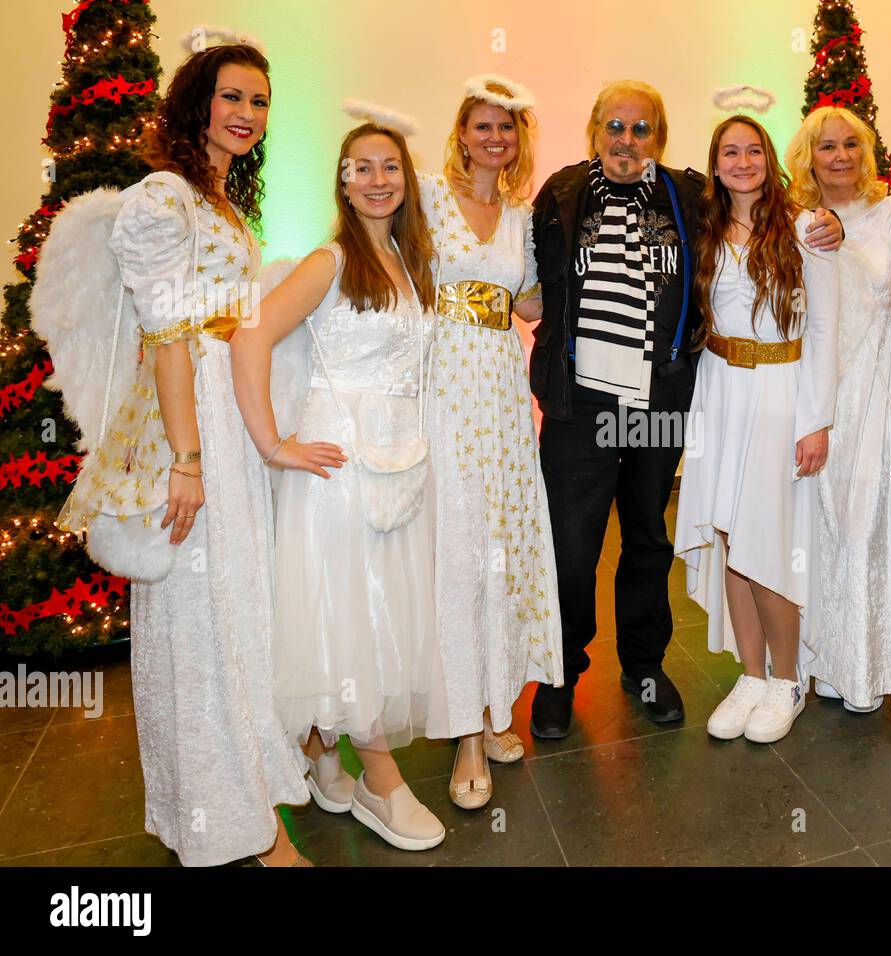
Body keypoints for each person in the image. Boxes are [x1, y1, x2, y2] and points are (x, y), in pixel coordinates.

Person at [56, 44, 311, 865]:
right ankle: (236, 823)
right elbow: (166, 342)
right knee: (201, 620)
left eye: (261, 102)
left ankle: (227, 807)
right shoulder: (162, 198)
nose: (247, 114)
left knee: (231, 613)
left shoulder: (223, 202)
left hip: (223, 424)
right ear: (195, 103)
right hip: (191, 426)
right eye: (231, 96)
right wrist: (188, 461)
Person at [528, 80, 842, 738]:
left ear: (659, 138)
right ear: (594, 131)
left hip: (661, 398)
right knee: (572, 546)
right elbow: (531, 284)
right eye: (614, 126)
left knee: (647, 537)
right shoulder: (559, 194)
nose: (627, 140)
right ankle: (560, 675)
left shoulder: (689, 196)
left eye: (642, 129)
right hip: (580, 404)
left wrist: (830, 218)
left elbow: (763, 211)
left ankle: (645, 666)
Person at [232, 121, 447, 850]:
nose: (378, 179)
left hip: (398, 460)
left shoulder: (406, 260)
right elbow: (250, 336)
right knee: (347, 612)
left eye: (391, 167)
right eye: (362, 168)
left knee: (380, 612)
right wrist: (273, 444)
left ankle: (325, 758)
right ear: (343, 180)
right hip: (337, 464)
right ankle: (379, 777)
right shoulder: (329, 260)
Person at [416, 74, 562, 807]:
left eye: (505, 128)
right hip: (440, 383)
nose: (494, 139)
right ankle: (465, 731)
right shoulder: (425, 196)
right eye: (482, 126)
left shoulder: (520, 214)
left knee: (503, 543)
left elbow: (530, 299)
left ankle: (499, 704)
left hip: (502, 390)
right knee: (458, 548)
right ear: (460, 132)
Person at [674, 114, 838, 744]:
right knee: (729, 534)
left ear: (770, 158)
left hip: (779, 393)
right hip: (719, 389)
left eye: (753, 150)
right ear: (714, 164)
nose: (742, 161)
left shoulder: (805, 228)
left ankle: (786, 680)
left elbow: (824, 330)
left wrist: (815, 421)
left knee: (767, 538)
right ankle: (750, 673)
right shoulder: (705, 230)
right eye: (729, 152)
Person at [785, 106, 891, 714]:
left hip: (878, 382)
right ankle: (814, 658)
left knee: (866, 516)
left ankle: (862, 661)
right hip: (818, 382)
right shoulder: (796, 221)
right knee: (817, 518)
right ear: (808, 156)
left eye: (849, 145)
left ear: (866, 152)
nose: (838, 156)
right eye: (826, 146)